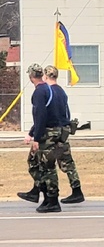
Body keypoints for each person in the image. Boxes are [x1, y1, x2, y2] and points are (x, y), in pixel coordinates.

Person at [18, 66, 84, 205]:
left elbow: (41, 116)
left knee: (42, 163)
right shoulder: (61, 92)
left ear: (46, 76)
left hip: (49, 134)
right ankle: (74, 190)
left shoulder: (45, 91)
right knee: (66, 163)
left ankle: (47, 194)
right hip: (62, 131)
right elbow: (66, 113)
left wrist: (34, 135)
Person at [23, 64, 68, 213]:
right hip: (55, 131)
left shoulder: (39, 92)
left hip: (47, 134)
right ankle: (42, 193)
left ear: (31, 77)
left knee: (47, 167)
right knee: (37, 163)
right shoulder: (49, 89)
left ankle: (52, 199)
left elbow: (40, 116)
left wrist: (36, 137)